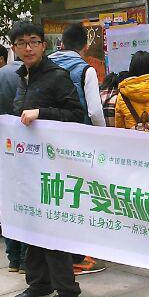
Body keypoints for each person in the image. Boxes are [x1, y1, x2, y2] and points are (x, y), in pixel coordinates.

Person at [0, 20, 85, 297]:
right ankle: (39, 282)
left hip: (53, 165)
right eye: (21, 43)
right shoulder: (21, 76)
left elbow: (75, 114)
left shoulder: (57, 76)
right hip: (28, 164)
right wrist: (0, 123)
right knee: (30, 224)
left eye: (33, 42)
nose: (28, 48)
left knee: (52, 225)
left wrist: (41, 113)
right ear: (14, 48)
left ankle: (67, 288)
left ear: (44, 45)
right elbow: (19, 118)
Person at [49, 23, 108, 275]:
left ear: (61, 42)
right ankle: (77, 256)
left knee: (57, 195)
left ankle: (58, 255)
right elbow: (94, 110)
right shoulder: (86, 69)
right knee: (79, 195)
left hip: (48, 141)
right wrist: (103, 137)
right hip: (78, 142)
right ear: (85, 46)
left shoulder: (45, 64)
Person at [0, 33, 28, 269]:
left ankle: (14, 257)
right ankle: (23, 258)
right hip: (27, 143)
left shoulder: (0, 74)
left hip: (6, 142)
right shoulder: (29, 74)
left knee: (8, 197)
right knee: (24, 199)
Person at [49, 22, 106, 127]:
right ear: (86, 47)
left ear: (62, 45)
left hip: (49, 132)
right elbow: (95, 112)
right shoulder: (87, 71)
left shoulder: (44, 66)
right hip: (79, 133)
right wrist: (102, 133)